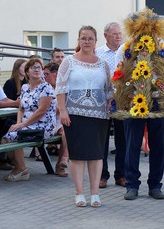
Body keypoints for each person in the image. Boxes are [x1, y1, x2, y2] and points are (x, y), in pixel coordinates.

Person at [113, 9, 164, 201]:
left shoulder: (162, 45)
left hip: (158, 100)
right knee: (132, 144)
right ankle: (132, 185)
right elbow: (119, 73)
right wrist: (125, 93)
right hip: (134, 100)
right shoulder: (126, 47)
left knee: (157, 145)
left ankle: (155, 185)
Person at [55, 25, 112, 207]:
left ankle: (95, 193)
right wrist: (63, 111)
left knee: (96, 155)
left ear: (96, 41)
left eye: (90, 38)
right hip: (74, 115)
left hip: (99, 115)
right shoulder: (69, 62)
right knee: (78, 155)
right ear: (78, 41)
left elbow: (109, 89)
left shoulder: (103, 64)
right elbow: (60, 88)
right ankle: (79, 193)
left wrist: (111, 102)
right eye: (83, 38)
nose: (87, 41)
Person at [2, 57, 57, 181]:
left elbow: (41, 111)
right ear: (27, 72)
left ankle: (21, 170)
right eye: (33, 68)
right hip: (27, 124)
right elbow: (21, 109)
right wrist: (18, 123)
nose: (37, 70)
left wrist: (21, 125)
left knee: (13, 136)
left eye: (39, 68)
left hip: (43, 125)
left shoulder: (46, 87)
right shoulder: (25, 88)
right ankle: (21, 168)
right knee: (5, 138)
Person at [95, 22, 126, 188]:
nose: (119, 37)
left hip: (122, 102)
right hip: (102, 102)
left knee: (123, 140)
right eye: (115, 34)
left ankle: (121, 175)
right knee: (103, 140)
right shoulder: (98, 53)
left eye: (120, 34)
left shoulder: (126, 52)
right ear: (106, 35)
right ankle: (102, 175)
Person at [43, 62, 69, 177]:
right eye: (43, 74)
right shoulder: (43, 87)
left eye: (46, 74)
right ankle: (62, 162)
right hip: (46, 120)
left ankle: (62, 161)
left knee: (67, 131)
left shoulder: (63, 87)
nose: (44, 77)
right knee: (67, 128)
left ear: (56, 74)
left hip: (58, 120)